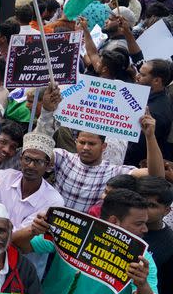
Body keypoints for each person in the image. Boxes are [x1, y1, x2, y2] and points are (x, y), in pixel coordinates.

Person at [13, 189, 161, 294]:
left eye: (145, 223)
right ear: (114, 221)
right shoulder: (76, 233)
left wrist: (142, 285)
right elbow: (20, 245)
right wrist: (33, 229)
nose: (145, 229)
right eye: (139, 224)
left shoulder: (142, 261)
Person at [35, 83, 164, 210]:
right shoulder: (62, 157)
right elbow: (36, 151)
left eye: (91, 144)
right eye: (82, 142)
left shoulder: (114, 172)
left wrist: (150, 136)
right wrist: (46, 112)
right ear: (75, 142)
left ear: (104, 146)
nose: (85, 148)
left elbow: (156, 177)